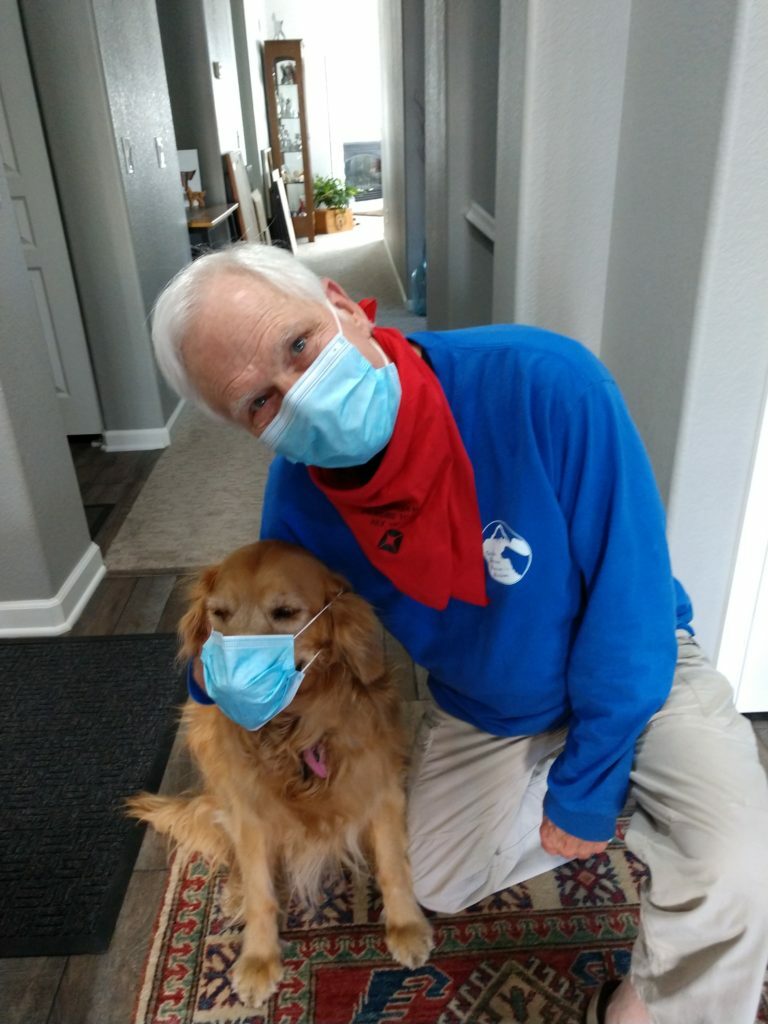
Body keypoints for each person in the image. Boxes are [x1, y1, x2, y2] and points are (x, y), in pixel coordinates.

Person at [151, 243, 768, 1024]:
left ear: (342, 305)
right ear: (247, 431)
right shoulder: (300, 503)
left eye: (299, 346)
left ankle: (644, 996)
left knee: (741, 864)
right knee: (437, 879)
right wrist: (218, 675)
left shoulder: (550, 381)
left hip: (638, 665)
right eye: (259, 402)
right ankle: (643, 810)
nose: (299, 394)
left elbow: (630, 603)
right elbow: (268, 631)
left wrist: (584, 790)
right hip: (491, 703)